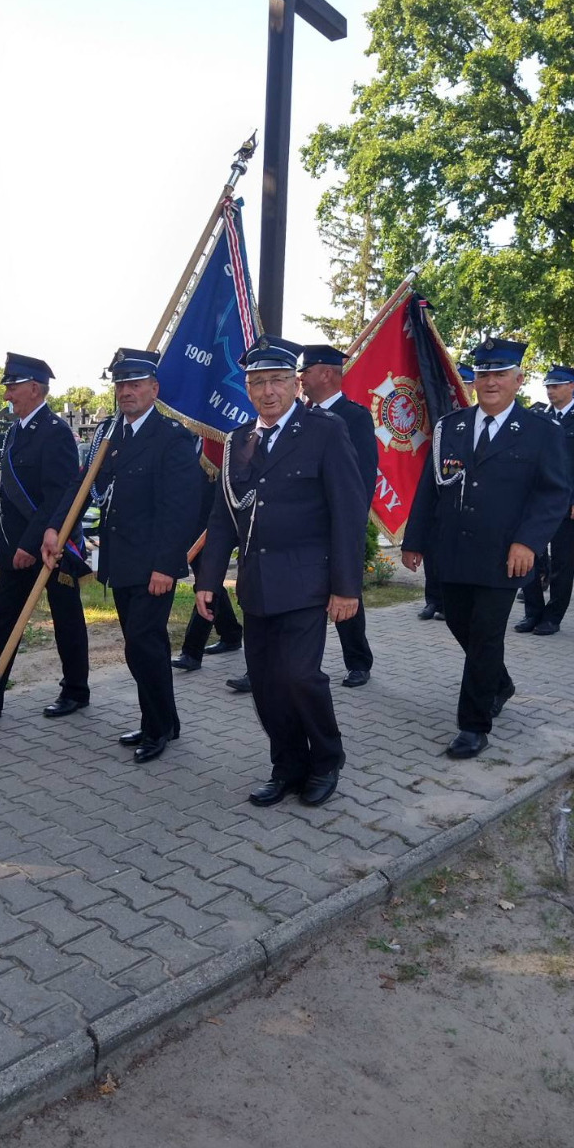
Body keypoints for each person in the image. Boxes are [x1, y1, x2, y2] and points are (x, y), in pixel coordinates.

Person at [196, 336, 365, 808]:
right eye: (257, 382)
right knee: (267, 686)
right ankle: (286, 766)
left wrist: (346, 586)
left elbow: (347, 511)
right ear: (247, 389)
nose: (267, 391)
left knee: (299, 676)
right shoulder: (237, 442)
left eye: (276, 380)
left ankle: (326, 759)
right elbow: (222, 517)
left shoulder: (324, 430)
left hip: (309, 582)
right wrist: (208, 581)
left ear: (295, 383)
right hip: (257, 585)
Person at [402, 336, 569, 759]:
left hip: (504, 556)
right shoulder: (450, 427)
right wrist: (414, 540)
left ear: (518, 379)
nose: (490, 381)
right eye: (483, 374)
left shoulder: (540, 432)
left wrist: (528, 542)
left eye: (499, 374)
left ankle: (474, 725)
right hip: (452, 551)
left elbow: (553, 495)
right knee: (460, 625)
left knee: (484, 635)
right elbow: (429, 489)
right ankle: (501, 683)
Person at [43, 350, 199, 763]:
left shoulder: (172, 437)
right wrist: (56, 528)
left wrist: (166, 566)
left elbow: (179, 509)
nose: (126, 392)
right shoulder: (113, 435)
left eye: (135, 384)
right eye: (121, 385)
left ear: (154, 388)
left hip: (153, 565)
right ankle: (163, 720)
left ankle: (158, 728)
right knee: (145, 644)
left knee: (142, 645)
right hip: (121, 562)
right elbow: (83, 485)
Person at [0, 354, 90, 721]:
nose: (6, 394)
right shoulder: (14, 431)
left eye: (13, 386)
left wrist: (31, 544)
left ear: (35, 389)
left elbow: (58, 496)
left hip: (50, 545)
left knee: (66, 617)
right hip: (16, 544)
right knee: (2, 619)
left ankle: (75, 690)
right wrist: (18, 546)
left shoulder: (55, 433)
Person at [297, 344, 377, 687]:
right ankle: (282, 662)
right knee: (295, 598)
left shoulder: (354, 416)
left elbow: (361, 476)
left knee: (345, 593)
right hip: (301, 524)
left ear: (327, 373)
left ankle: (358, 661)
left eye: (305, 371)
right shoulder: (295, 415)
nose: (299, 378)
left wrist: (349, 523)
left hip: (336, 524)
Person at [514, 365, 574, 635]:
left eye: (556, 386)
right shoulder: (539, 416)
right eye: (548, 387)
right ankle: (533, 612)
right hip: (536, 501)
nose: (551, 391)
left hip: (568, 504)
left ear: (572, 387)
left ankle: (553, 616)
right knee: (528, 556)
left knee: (563, 564)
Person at [171, 455, 242, 672]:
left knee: (207, 583)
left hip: (219, 525)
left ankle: (192, 652)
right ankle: (230, 633)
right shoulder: (188, 441)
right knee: (211, 583)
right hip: (194, 524)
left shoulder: (217, 435)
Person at [419, 362, 475, 620]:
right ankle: (433, 599)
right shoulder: (439, 409)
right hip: (436, 483)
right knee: (433, 547)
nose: (460, 388)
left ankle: (449, 601)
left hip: (464, 495)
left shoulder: (476, 417)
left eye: (465, 382)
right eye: (457, 382)